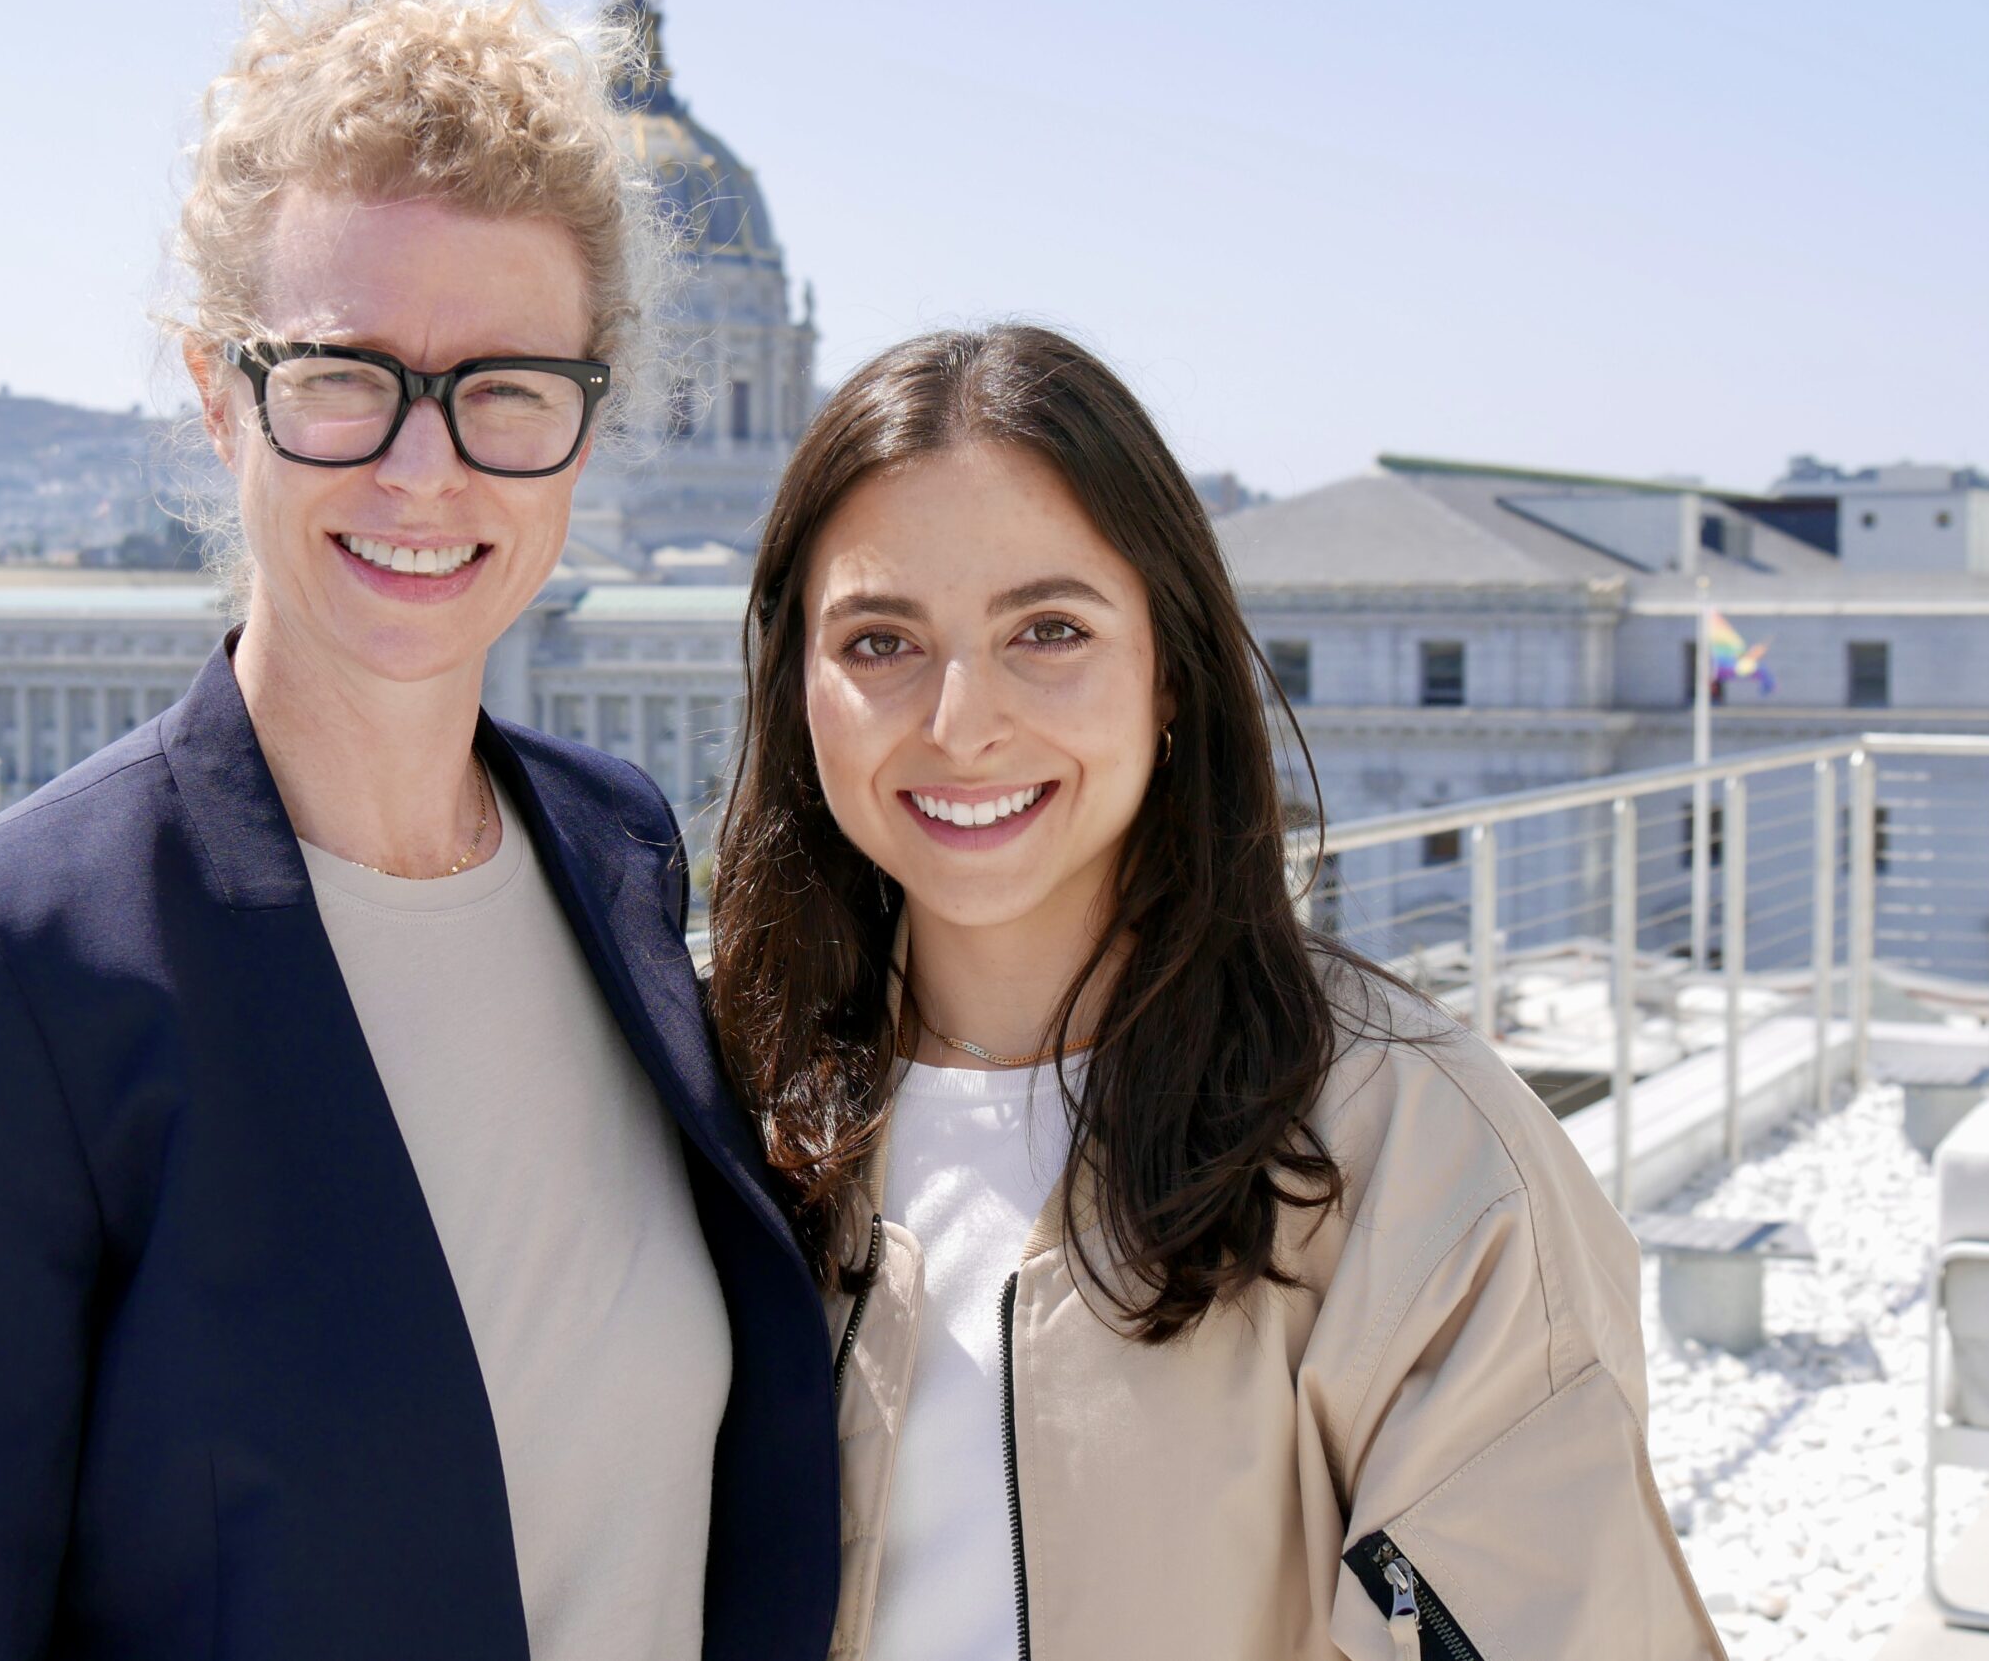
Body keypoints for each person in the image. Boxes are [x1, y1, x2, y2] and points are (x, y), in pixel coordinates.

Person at [0, 0, 838, 1661]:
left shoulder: (619, 857)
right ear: (217, 393)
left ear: (589, 419)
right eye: (343, 373)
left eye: (505, 384)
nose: (427, 468)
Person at [711, 324, 1722, 1660]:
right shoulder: (708, 1093)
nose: (961, 720)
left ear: (1171, 668)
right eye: (882, 640)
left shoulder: (1412, 1150)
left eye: (1049, 629)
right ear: (798, 686)